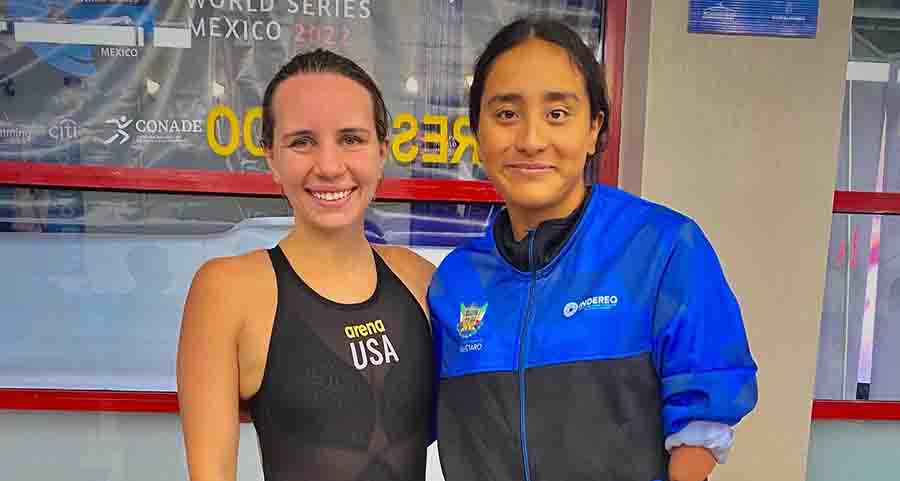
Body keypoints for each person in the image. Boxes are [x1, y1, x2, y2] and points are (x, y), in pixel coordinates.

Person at [427, 16, 758, 481]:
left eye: (557, 114)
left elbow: (704, 410)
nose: (530, 139)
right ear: (478, 133)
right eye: (506, 114)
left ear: (593, 128)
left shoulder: (662, 248)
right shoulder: (457, 280)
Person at [177, 49, 436, 481]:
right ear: (271, 159)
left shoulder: (419, 279)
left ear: (381, 152)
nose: (330, 167)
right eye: (302, 142)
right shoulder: (227, 291)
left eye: (351, 138)